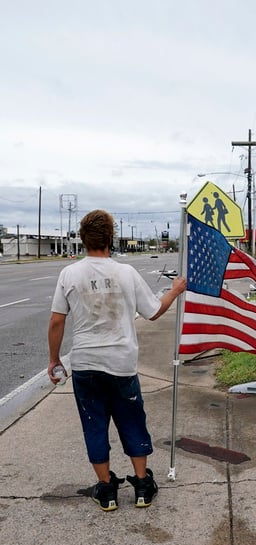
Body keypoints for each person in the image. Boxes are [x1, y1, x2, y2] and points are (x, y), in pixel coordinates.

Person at [47, 209, 187, 512]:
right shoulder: (126, 273)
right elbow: (153, 311)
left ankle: (107, 490)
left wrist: (54, 359)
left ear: (83, 239)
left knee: (94, 425)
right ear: (111, 238)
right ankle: (142, 486)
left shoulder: (69, 274)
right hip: (121, 364)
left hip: (85, 364)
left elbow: (57, 321)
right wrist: (175, 290)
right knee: (132, 421)